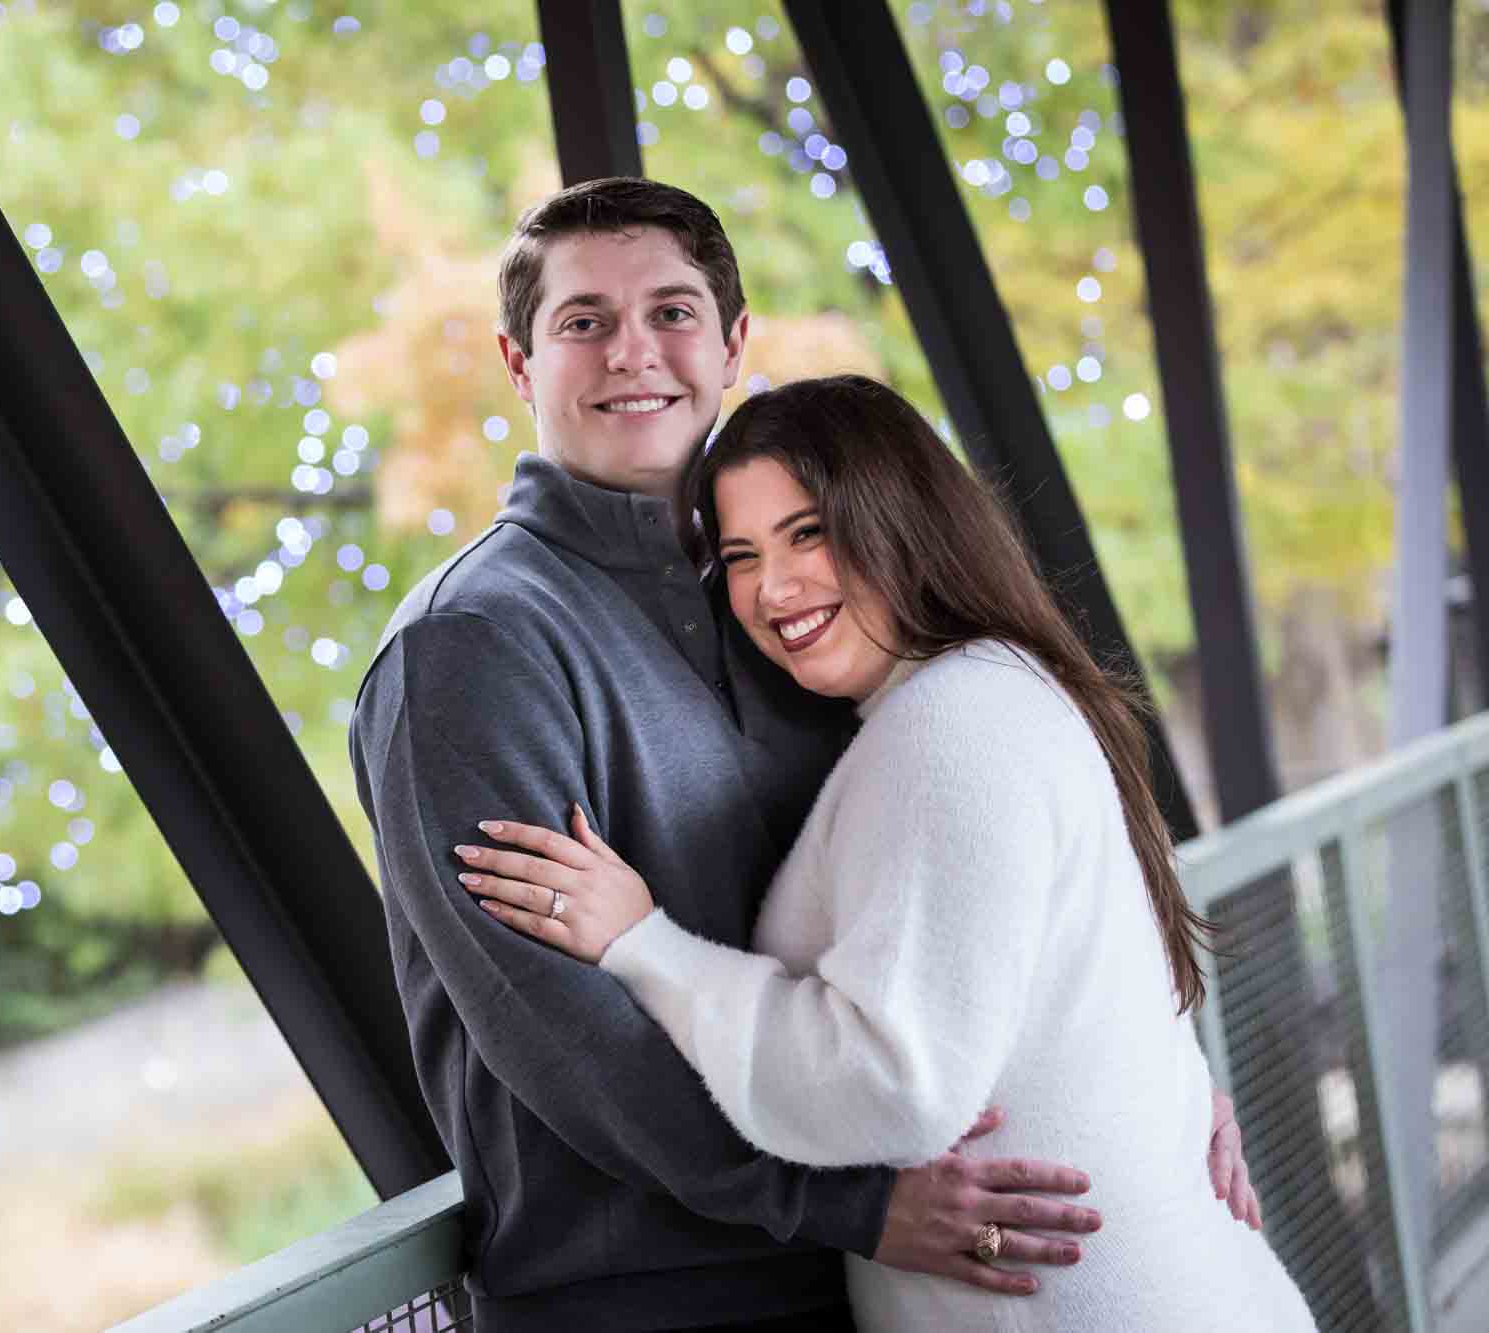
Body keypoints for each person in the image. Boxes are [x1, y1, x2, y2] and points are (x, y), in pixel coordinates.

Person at [349, 177, 1257, 1332]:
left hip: (879, 1271)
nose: (634, 351)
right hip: (656, 1303)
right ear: (519, 362)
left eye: (672, 313)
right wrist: (848, 1202)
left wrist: (1166, 1087)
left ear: (732, 345)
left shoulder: (795, 607)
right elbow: (556, 1030)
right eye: (583, 322)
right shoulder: (468, 647)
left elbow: (995, 880)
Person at [458, 374, 1315, 1330]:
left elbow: (893, 1083)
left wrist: (643, 944)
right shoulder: (996, 690)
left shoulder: (950, 727)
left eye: (807, 533)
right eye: (739, 554)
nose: (773, 589)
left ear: (900, 517)